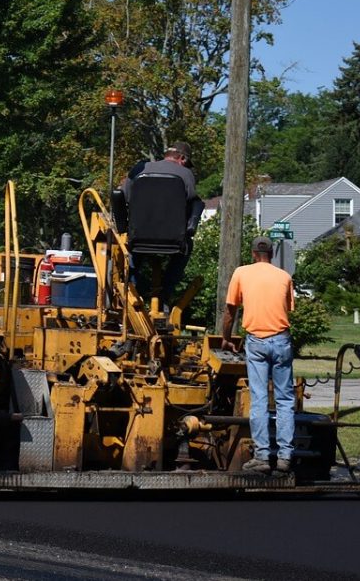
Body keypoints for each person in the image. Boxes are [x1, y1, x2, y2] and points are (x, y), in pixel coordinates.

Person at [220, 236, 295, 474]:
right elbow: (287, 309)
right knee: (285, 400)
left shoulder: (241, 273)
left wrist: (226, 337)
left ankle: (262, 456)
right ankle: (285, 457)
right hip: (281, 339)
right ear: (271, 254)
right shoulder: (284, 277)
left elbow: (230, 311)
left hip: (257, 342)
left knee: (260, 398)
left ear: (253, 254)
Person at [122, 140, 204, 306]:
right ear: (181, 158)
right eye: (186, 162)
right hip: (174, 240)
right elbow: (192, 201)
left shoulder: (139, 171)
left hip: (139, 238)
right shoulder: (186, 174)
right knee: (185, 249)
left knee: (132, 257)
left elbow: (124, 196)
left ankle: (132, 292)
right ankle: (165, 294)